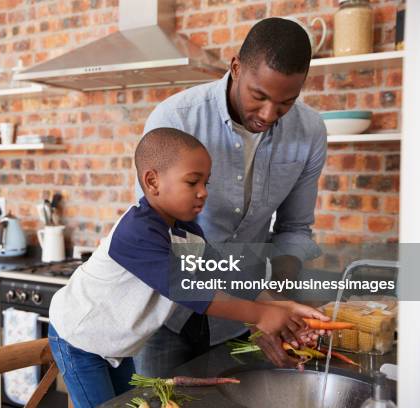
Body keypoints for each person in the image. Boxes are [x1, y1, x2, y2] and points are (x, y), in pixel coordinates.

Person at [48, 127, 328, 408]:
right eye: (193, 182)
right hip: (79, 340)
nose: (203, 193)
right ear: (153, 182)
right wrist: (262, 314)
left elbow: (224, 271)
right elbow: (191, 292)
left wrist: (281, 305)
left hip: (113, 345)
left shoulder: (186, 232)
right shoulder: (137, 231)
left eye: (206, 183)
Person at [134, 17, 329, 375]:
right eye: (259, 96)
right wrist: (260, 308)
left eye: (287, 102)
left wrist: (278, 304)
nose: (269, 114)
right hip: (166, 316)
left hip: (238, 322)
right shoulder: (176, 119)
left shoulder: (310, 132)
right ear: (236, 67)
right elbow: (163, 236)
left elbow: (295, 230)